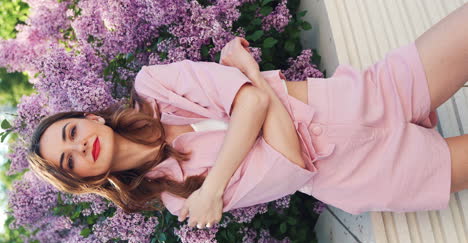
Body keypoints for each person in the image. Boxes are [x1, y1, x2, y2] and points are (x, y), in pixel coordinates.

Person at [28, 3, 468, 230]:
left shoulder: (153, 86)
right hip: (357, 171)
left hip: (360, 95)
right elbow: (289, 163)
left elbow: (257, 109)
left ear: (89, 118)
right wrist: (247, 77)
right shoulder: (180, 199)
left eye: (71, 133)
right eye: (70, 160)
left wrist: (215, 187)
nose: (80, 146)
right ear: (85, 179)